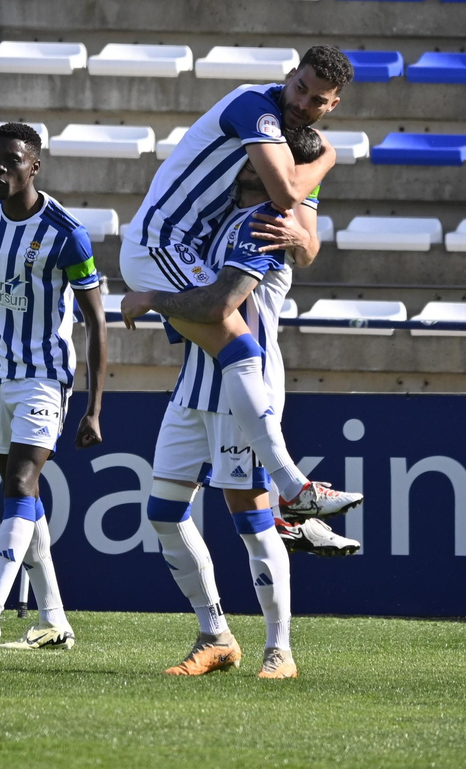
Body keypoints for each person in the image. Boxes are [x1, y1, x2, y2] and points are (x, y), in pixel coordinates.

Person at [123, 126, 352, 680]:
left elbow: (219, 305)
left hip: (242, 385)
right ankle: (216, 635)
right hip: (195, 381)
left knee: (251, 521)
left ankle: (280, 650)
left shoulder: (268, 221)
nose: (251, 158)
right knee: (163, 514)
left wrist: (151, 297)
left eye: (263, 155)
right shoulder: (216, 209)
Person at [118, 46, 360, 521]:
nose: (302, 102)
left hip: (189, 260)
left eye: (316, 100)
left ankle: (288, 511)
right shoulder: (257, 110)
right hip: (163, 242)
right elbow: (286, 192)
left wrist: (300, 234)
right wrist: (331, 156)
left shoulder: (298, 153)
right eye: (300, 88)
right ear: (289, 75)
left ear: (333, 105)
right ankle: (292, 493)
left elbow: (306, 247)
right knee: (240, 351)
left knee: (180, 513)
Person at [0, 122, 107, 652]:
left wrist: (93, 407)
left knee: (19, 482)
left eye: (11, 160)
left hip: (44, 377)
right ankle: (55, 619)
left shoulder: (67, 234)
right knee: (23, 497)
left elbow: (96, 322)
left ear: (34, 167)